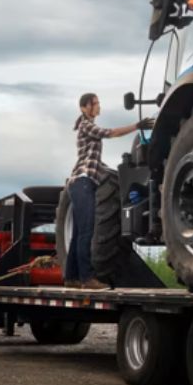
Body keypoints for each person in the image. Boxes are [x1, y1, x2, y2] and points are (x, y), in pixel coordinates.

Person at [63, 92, 154, 289]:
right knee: (86, 232)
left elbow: (92, 159)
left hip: (83, 181)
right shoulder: (87, 125)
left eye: (98, 103)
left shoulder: (85, 126)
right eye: (95, 104)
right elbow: (111, 133)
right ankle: (87, 279)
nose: (99, 106)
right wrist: (136, 126)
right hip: (83, 182)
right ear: (85, 107)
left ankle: (71, 278)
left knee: (79, 232)